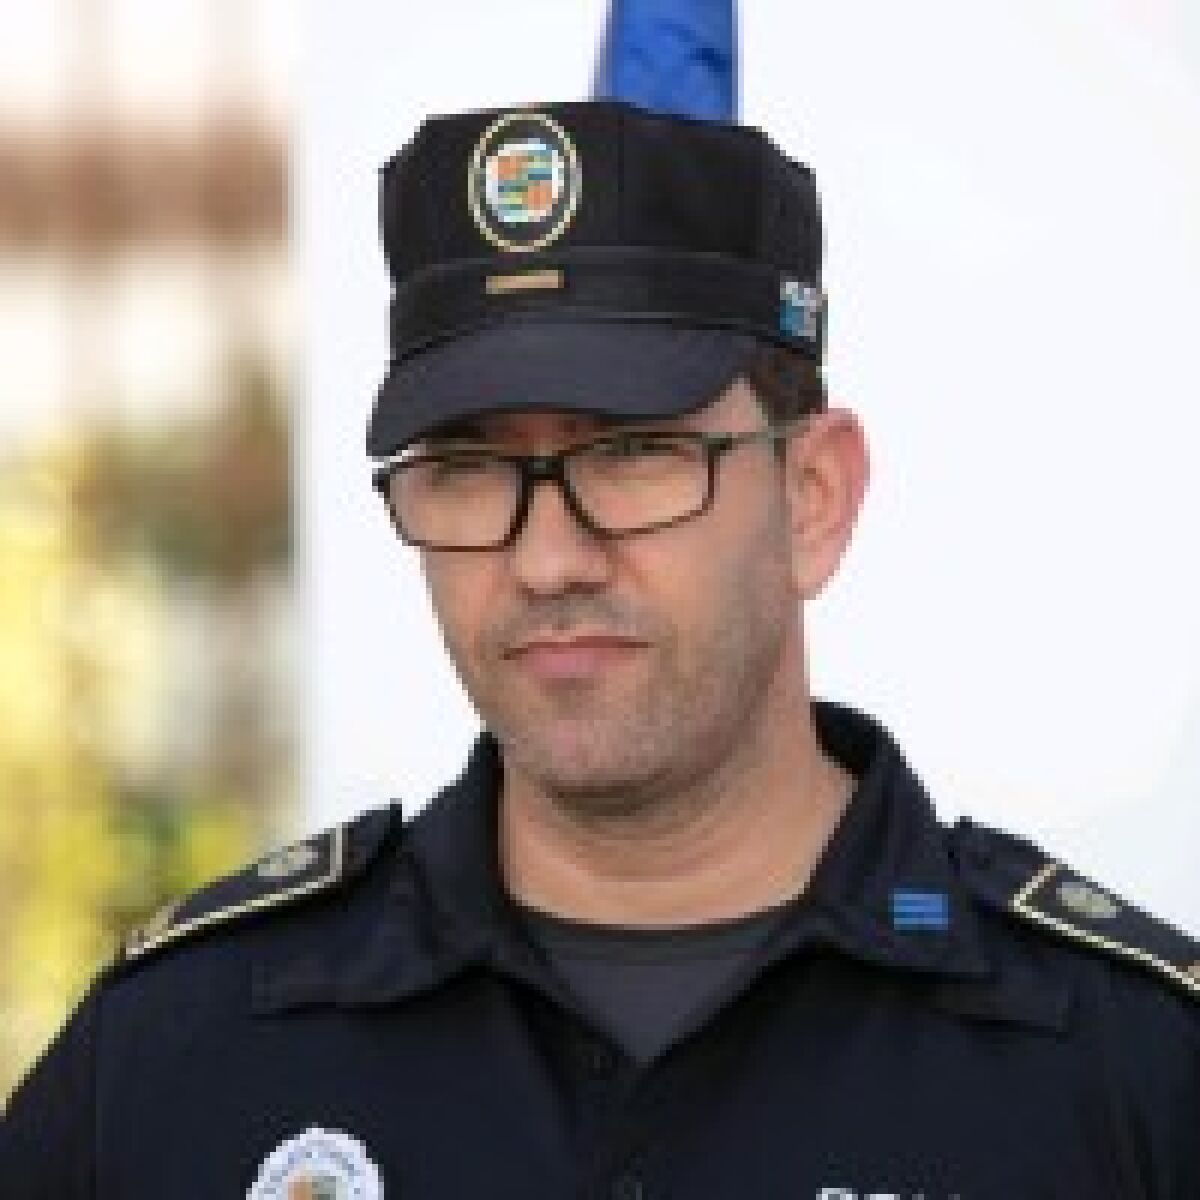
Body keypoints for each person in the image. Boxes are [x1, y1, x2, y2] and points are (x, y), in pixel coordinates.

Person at [3, 98, 1198, 1199]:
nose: (546, 560)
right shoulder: (177, 1059)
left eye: (631, 454)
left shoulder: (1129, 1071)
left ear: (814, 497)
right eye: (469, 469)